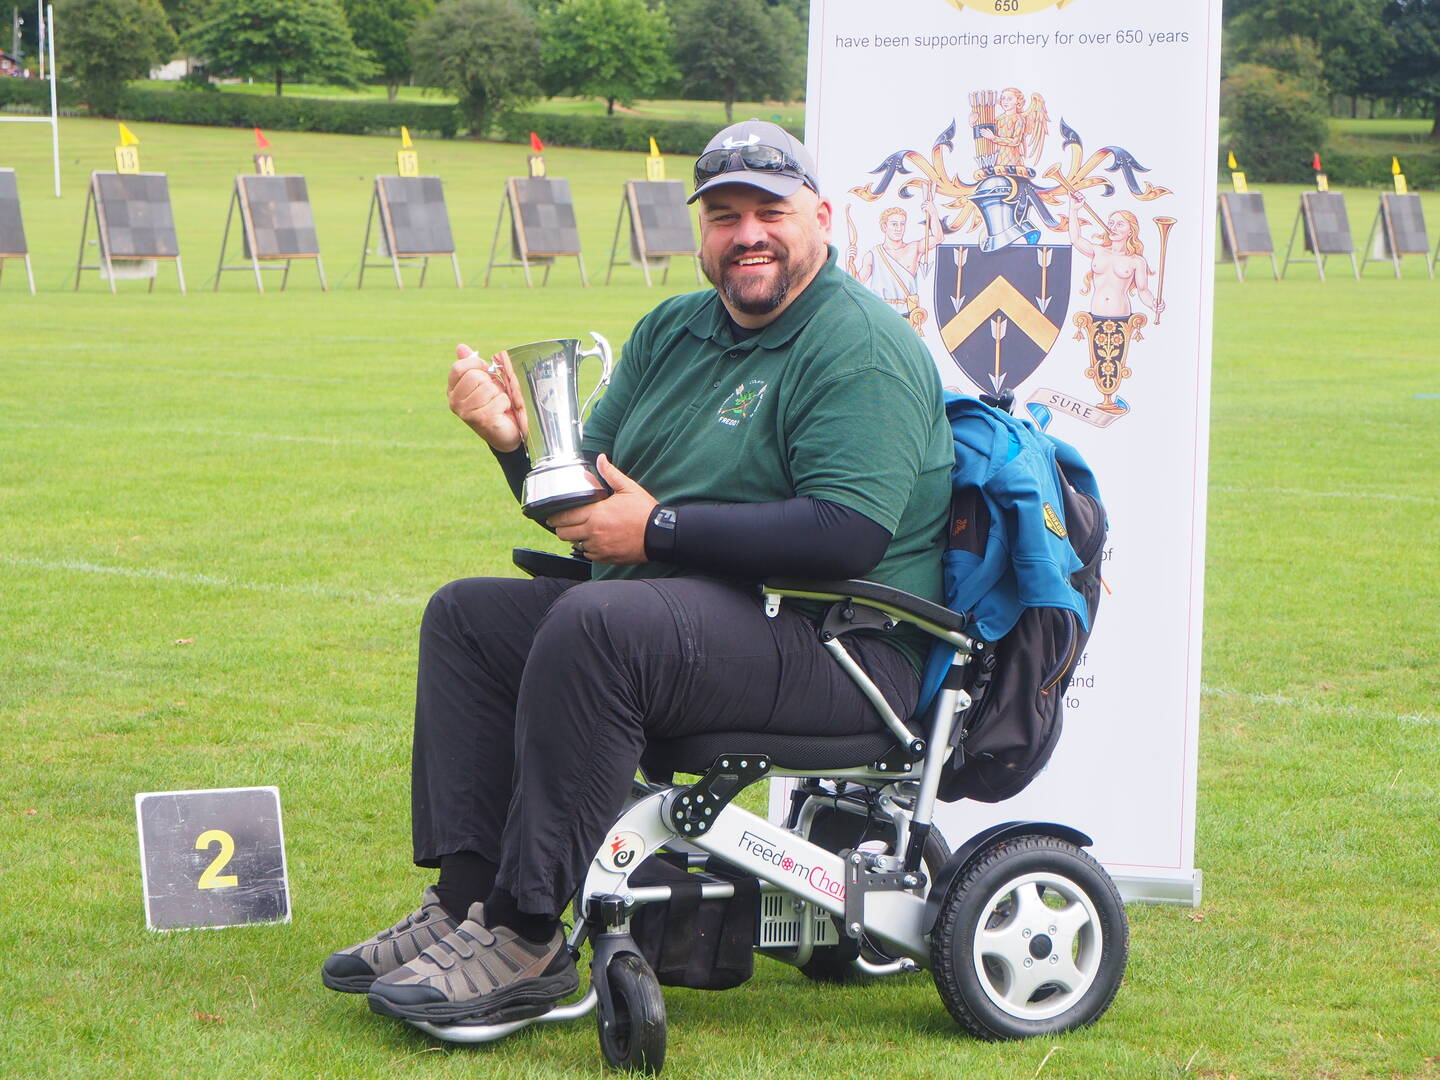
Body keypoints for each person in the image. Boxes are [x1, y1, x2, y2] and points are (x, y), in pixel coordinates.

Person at [321, 120, 952, 1026]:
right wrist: (512, 447)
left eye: (769, 211)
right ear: (702, 232)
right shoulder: (673, 330)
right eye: (724, 215)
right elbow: (590, 508)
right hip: (699, 618)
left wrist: (655, 530)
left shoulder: (858, 344)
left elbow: (844, 535)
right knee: (467, 618)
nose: (747, 235)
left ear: (820, 215)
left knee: (597, 624)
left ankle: (527, 931)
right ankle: (467, 901)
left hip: (843, 647)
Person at [1068, 192, 1164, 413]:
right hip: (1096, 316)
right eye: (1111, 223)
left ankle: (1110, 400)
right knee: (1098, 361)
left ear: (1130, 230)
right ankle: (1104, 400)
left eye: (1120, 224)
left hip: (1122, 318)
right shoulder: (1098, 251)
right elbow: (1075, 239)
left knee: (1115, 363)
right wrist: (1074, 210)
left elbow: (1143, 291)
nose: (1113, 227)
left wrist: (1154, 304)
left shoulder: (1136, 261)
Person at [848, 204, 942, 337]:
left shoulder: (914, 249)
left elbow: (938, 238)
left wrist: (933, 213)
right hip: (881, 315)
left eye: (902, 224)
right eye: (894, 224)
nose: (899, 228)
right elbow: (856, 283)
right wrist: (849, 262)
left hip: (908, 317)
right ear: (884, 227)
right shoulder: (873, 255)